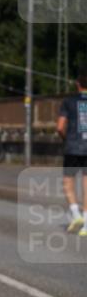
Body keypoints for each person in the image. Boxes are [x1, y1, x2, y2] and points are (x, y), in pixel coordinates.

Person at [57, 69, 87, 236]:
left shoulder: (68, 101)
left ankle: (76, 215)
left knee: (68, 183)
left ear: (77, 84)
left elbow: (60, 127)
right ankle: (86, 226)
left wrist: (66, 138)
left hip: (73, 147)